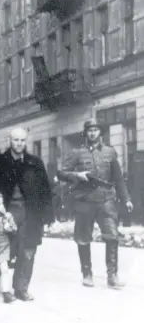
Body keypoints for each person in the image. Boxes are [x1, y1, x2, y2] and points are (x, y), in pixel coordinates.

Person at [57, 118, 132, 289]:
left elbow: (118, 178)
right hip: (84, 201)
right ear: (85, 133)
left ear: (100, 132)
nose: (92, 133)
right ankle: (87, 273)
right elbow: (61, 173)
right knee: (83, 238)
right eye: (89, 130)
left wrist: (126, 198)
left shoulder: (110, 152)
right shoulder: (77, 153)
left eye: (95, 130)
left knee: (112, 237)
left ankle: (112, 275)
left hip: (106, 200)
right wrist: (77, 175)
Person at [0, 127, 54, 301]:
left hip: (30, 213)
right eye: (16, 140)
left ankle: (21, 288)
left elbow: (45, 189)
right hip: (4, 212)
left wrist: (48, 215)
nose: (19, 144)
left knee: (28, 250)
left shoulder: (35, 162)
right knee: (1, 248)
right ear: (9, 140)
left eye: (23, 140)